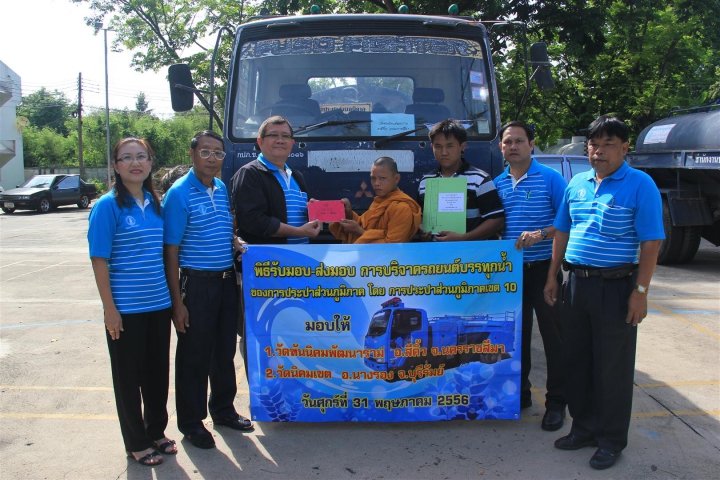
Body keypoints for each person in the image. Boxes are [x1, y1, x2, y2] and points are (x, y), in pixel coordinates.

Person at [543, 116, 664, 470]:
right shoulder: (577, 183)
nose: (599, 151)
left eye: (608, 144)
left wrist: (640, 291)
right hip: (577, 285)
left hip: (616, 288)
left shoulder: (640, 184)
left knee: (612, 368)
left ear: (625, 148)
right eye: (594, 144)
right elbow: (562, 232)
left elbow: (651, 242)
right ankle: (583, 429)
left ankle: (610, 440)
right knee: (577, 361)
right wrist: (552, 277)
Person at [163, 130, 253, 450]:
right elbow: (170, 250)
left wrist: (235, 240)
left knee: (224, 351)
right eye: (205, 152)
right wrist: (178, 303)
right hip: (197, 284)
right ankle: (191, 423)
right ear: (192, 154)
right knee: (194, 356)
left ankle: (223, 409)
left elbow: (223, 227)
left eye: (218, 153)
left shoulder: (221, 187)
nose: (212, 158)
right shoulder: (178, 194)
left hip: (226, 281)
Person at [88, 137, 175, 466]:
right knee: (128, 379)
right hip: (126, 309)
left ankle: (156, 431)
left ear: (151, 163)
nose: (135, 163)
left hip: (159, 304)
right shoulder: (107, 206)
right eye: (126, 157)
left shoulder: (155, 203)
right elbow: (99, 259)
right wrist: (110, 310)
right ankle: (136, 442)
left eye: (141, 156)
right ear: (116, 166)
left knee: (156, 374)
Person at [493, 121, 567, 430]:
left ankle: (557, 404)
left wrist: (541, 234)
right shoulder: (497, 183)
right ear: (501, 147)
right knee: (515, 338)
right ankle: (520, 395)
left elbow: (568, 222)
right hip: (511, 275)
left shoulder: (551, 179)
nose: (513, 146)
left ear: (532, 144)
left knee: (554, 340)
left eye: (519, 141)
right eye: (508, 142)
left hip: (544, 271)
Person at [231, 116, 321, 245]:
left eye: (285, 136)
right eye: (273, 135)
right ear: (260, 141)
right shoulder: (249, 173)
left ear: (292, 143)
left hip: (301, 256)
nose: (280, 140)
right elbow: (253, 221)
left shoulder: (296, 176)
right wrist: (298, 232)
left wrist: (313, 210)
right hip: (269, 257)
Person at [418, 119, 505, 241]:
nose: (444, 152)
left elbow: (497, 220)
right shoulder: (425, 181)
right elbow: (421, 217)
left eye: (450, 146)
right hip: (434, 252)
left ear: (462, 146)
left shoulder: (480, 179)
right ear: (432, 147)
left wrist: (463, 238)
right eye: (438, 146)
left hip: (470, 252)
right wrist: (421, 229)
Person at [329, 157, 421, 243]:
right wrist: (349, 214)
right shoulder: (380, 201)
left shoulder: (402, 208)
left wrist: (360, 231)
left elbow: (392, 246)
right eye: (373, 178)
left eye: (382, 178)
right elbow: (366, 224)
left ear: (396, 178)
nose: (376, 183)